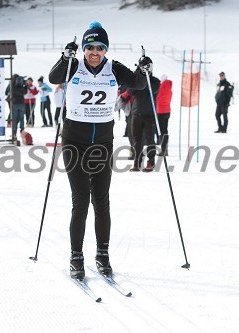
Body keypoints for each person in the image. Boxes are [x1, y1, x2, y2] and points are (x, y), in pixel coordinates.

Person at [48, 21, 150, 280]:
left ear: (106, 49)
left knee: (101, 202)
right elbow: (53, 78)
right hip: (74, 142)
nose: (95, 52)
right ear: (84, 48)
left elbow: (138, 83)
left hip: (102, 144)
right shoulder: (73, 66)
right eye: (90, 47)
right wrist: (65, 57)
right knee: (80, 202)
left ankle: (102, 255)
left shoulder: (113, 68)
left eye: (100, 47)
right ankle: (76, 256)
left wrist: (144, 67)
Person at [128, 68, 161, 172]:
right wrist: (137, 74)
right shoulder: (138, 81)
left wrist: (147, 77)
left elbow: (154, 89)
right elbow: (130, 91)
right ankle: (137, 162)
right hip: (136, 113)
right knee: (136, 140)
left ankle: (151, 162)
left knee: (150, 139)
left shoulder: (155, 81)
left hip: (149, 114)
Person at [6, 74, 28, 141]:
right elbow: (25, 92)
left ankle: (14, 134)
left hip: (14, 103)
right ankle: (22, 131)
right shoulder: (21, 84)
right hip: (21, 102)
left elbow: (6, 92)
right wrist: (25, 86)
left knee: (14, 119)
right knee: (21, 118)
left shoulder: (11, 84)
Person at [156, 74, 173, 156]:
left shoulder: (162, 87)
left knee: (161, 131)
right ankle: (165, 149)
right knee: (165, 130)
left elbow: (158, 98)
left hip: (160, 111)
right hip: (167, 111)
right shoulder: (169, 88)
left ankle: (163, 149)